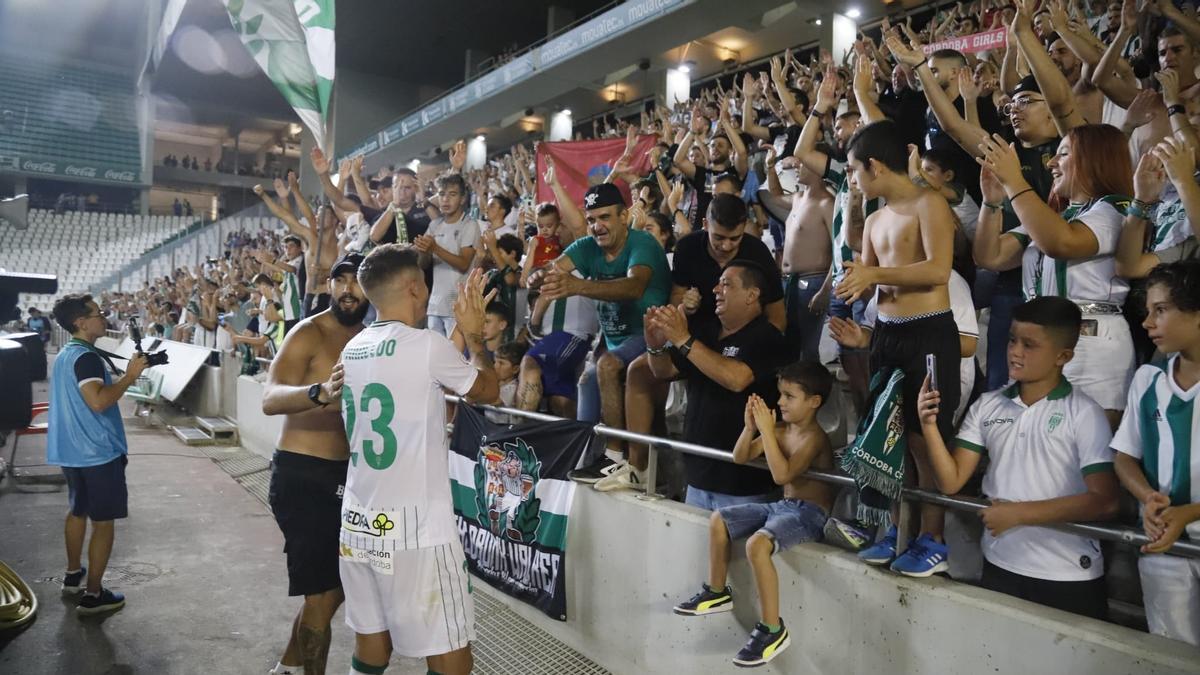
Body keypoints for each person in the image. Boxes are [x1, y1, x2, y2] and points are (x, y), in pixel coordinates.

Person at [336, 246, 499, 675]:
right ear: (414, 286)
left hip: (358, 522)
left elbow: (417, 369)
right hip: (417, 532)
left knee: (371, 646)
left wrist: (458, 335)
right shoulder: (426, 345)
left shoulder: (352, 348)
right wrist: (476, 335)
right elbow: (487, 389)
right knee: (450, 657)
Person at [916, 297, 1120, 620]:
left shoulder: (1085, 413)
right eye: (1012, 340)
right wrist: (928, 426)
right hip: (1001, 564)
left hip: (1067, 575)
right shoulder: (988, 406)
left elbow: (1105, 501)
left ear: (1063, 356)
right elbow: (950, 481)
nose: (1015, 351)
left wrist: (1020, 514)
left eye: (1029, 344)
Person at [834, 119, 960, 577]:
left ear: (875, 165)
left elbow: (939, 270)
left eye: (853, 171)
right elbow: (869, 279)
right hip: (887, 334)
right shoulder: (872, 219)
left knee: (925, 439)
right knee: (887, 438)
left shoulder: (929, 203)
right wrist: (854, 284)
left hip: (927, 332)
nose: (852, 180)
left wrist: (872, 276)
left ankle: (934, 538)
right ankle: (894, 530)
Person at [610, 194, 784, 492]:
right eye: (719, 237)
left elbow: (777, 319)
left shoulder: (757, 253)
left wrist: (754, 345)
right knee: (640, 370)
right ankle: (637, 465)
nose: (726, 246)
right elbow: (676, 300)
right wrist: (680, 315)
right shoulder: (689, 246)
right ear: (705, 225)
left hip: (740, 336)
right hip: (699, 333)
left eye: (735, 238)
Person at [672, 362, 835, 668]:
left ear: (815, 402)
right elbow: (740, 456)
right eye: (780, 394)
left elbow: (781, 474)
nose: (780, 402)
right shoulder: (781, 431)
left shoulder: (815, 438)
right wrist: (750, 428)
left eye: (789, 396)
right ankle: (717, 591)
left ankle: (772, 628)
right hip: (784, 506)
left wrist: (767, 432)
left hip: (810, 513)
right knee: (719, 519)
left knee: (757, 545)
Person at [975, 124, 1135, 427]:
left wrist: (1015, 182)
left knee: (1087, 453)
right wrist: (992, 201)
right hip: (1043, 340)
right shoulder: (1056, 218)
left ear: (1094, 159)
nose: (1051, 163)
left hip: (1092, 343)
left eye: (1063, 154)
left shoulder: (1115, 210)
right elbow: (989, 256)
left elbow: (1061, 243)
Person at [260, 254, 370, 675]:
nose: (347, 290)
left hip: (347, 477)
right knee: (323, 592)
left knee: (335, 587)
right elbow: (270, 399)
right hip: (301, 473)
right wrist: (319, 392)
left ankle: (288, 666)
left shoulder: (369, 338)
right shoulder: (308, 332)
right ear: (328, 286)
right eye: (339, 281)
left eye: (356, 282)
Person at [539, 183, 671, 482]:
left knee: (607, 366)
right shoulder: (587, 247)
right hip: (613, 340)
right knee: (586, 381)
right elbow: (554, 270)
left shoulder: (642, 244)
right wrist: (540, 275)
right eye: (592, 219)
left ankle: (614, 458)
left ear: (624, 216)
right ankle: (585, 454)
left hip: (653, 336)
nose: (597, 226)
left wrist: (576, 285)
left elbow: (633, 286)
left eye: (605, 217)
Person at [645, 261, 789, 508]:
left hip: (745, 484)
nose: (715, 290)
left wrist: (682, 338)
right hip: (699, 476)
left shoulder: (768, 336)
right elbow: (664, 370)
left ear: (751, 295)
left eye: (726, 284)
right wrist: (655, 344)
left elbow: (736, 379)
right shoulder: (706, 332)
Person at [1113, 261, 1200, 646]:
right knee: (1170, 652)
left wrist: (1191, 513)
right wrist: (1147, 497)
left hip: (1179, 528)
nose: (1147, 323)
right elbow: (1124, 456)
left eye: (1160, 310)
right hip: (1163, 541)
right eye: (1147, 311)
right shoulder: (1148, 379)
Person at [46, 294, 148, 615]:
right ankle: (93, 595)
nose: (104, 317)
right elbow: (98, 401)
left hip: (71, 451)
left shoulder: (67, 354)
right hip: (97, 452)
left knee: (77, 511)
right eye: (98, 313)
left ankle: (73, 575)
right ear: (81, 322)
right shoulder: (86, 358)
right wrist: (130, 377)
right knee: (103, 523)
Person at [414, 174, 480, 338]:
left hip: (458, 305)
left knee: (456, 357)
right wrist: (423, 251)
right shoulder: (434, 225)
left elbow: (464, 263)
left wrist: (434, 247)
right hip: (435, 305)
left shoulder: (469, 225)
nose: (445, 200)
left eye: (452, 194)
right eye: (442, 194)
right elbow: (423, 265)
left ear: (463, 198)